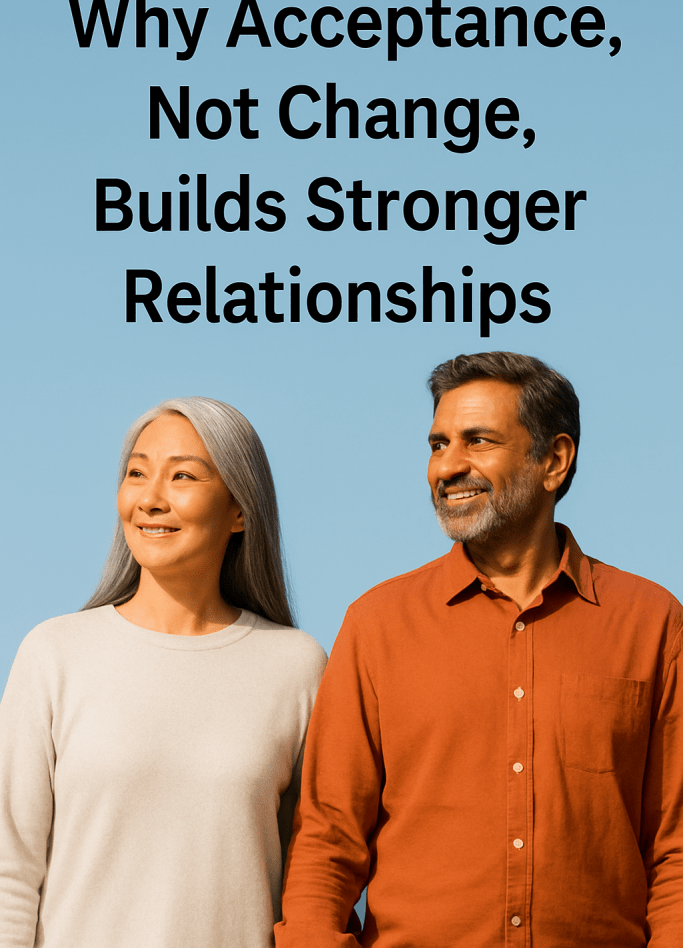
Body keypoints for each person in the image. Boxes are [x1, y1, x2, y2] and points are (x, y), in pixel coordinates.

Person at [275, 351, 683, 948]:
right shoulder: (377, 624)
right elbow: (327, 842)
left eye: (478, 441)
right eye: (438, 444)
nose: (448, 466)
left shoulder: (650, 623)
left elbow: (675, 849)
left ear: (554, 460)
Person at [0, 397, 326, 948]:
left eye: (183, 476)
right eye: (136, 473)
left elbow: (313, 876)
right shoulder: (54, 653)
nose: (150, 499)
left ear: (240, 510)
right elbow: (10, 867)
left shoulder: (296, 666)